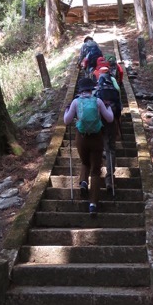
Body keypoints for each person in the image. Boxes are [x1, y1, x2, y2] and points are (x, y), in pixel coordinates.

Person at [64, 76, 114, 216]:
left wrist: (67, 110)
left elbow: (67, 121)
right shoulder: (98, 101)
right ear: (92, 89)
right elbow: (109, 118)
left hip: (81, 138)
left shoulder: (75, 102)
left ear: (80, 91)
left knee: (85, 162)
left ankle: (83, 182)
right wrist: (108, 107)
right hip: (96, 139)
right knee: (96, 171)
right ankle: (93, 204)